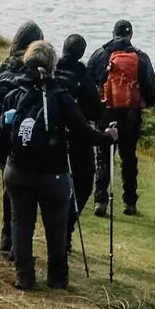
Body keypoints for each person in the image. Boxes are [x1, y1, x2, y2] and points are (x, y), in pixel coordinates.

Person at [0, 39, 105, 290]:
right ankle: (57, 277)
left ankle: (24, 276)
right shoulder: (61, 97)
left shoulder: (14, 95)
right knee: (56, 225)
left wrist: (3, 161)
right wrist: (109, 137)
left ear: (26, 62)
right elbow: (83, 132)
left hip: (18, 170)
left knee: (21, 223)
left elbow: (1, 136)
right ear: (53, 66)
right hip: (54, 174)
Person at [89, 19, 155, 216]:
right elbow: (152, 89)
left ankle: (100, 201)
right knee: (129, 158)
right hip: (130, 117)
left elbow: (88, 81)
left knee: (103, 158)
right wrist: (147, 103)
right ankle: (130, 203)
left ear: (113, 33)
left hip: (105, 115)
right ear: (131, 35)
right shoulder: (141, 57)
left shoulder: (100, 55)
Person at [0, 20, 43, 258]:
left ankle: (7, 234)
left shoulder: (3, 67)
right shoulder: (36, 69)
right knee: (26, 192)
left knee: (9, 186)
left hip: (2, 136)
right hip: (28, 137)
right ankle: (18, 243)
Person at [54, 33, 100, 227]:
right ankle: (67, 225)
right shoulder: (84, 78)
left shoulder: (51, 72)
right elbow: (96, 111)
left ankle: (57, 224)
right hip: (78, 138)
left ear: (63, 49)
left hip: (50, 135)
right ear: (81, 53)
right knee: (84, 182)